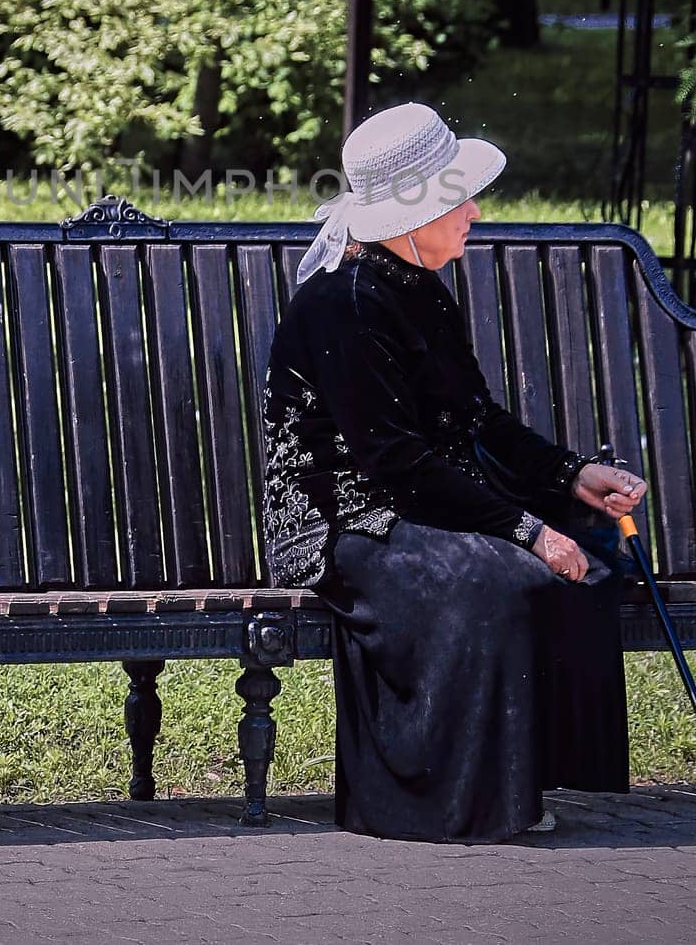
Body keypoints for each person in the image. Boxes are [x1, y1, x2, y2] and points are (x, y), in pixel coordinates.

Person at [260, 102, 647, 843]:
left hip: (410, 503)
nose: (472, 210)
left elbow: (477, 421)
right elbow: (394, 462)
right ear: (411, 216)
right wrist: (527, 531)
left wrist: (572, 476)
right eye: (455, 198)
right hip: (342, 521)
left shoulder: (416, 288)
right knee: (501, 577)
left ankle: (524, 781)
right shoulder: (340, 303)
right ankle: (442, 801)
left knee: (592, 560)